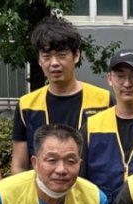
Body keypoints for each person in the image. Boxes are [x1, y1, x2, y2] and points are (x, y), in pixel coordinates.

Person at [10, 16, 111, 173]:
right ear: (39, 60)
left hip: (90, 187)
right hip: (41, 188)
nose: (54, 63)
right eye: (46, 56)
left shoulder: (103, 101)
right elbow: (19, 165)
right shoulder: (27, 106)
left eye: (61, 55)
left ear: (76, 56)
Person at [81, 49, 133, 204]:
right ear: (110, 79)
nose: (127, 83)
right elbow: (80, 181)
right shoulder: (91, 128)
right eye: (120, 76)